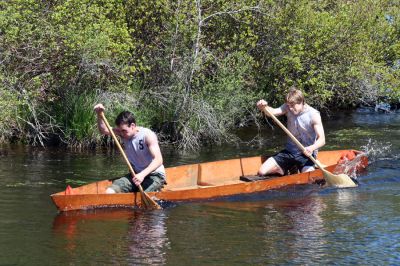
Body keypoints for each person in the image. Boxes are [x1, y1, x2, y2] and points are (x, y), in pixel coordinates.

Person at [94, 103, 166, 194]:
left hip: (154, 175)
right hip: (135, 174)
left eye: (124, 131)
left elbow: (159, 160)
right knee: (110, 191)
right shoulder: (122, 133)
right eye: (120, 131)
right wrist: (99, 114)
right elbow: (104, 130)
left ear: (132, 125)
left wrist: (142, 175)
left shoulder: (147, 135)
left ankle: (156, 189)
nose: (121, 134)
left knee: (141, 198)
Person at [256, 87, 325, 176]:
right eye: (289, 106)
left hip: (307, 155)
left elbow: (322, 140)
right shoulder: (287, 107)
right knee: (261, 172)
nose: (290, 109)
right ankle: (288, 167)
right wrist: (264, 107)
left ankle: (304, 165)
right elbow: (272, 112)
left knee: (308, 177)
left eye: (293, 106)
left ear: (302, 102)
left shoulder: (314, 114)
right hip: (290, 151)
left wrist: (311, 148)